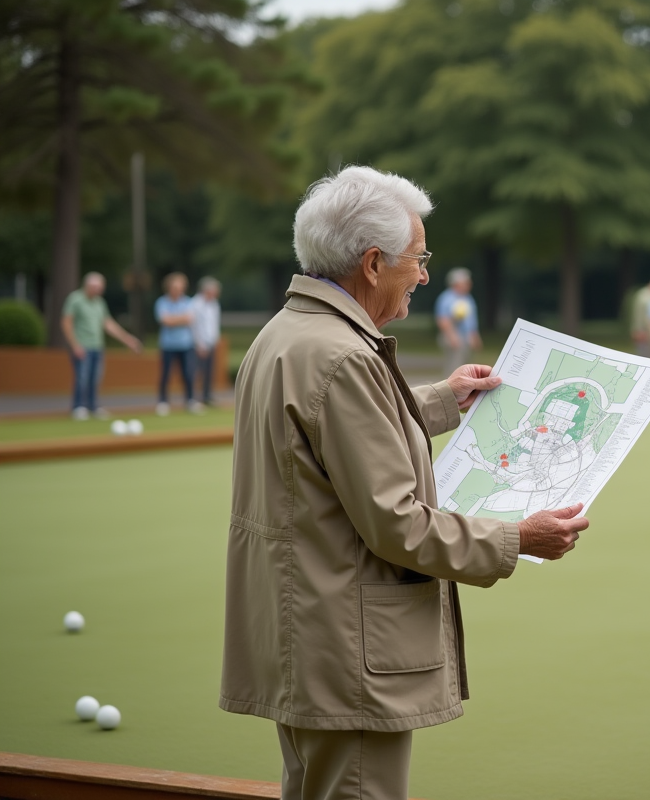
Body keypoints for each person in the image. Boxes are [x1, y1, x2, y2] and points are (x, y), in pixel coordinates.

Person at [220, 165, 587, 800]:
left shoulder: (288, 334)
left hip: (304, 634)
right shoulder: (343, 356)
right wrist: (516, 538)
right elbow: (398, 523)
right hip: (346, 646)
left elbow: (329, 438)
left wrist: (444, 400)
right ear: (371, 262)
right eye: (417, 259)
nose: (424, 274)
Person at [60, 272, 142, 420]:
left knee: (95, 378)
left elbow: (108, 323)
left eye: (100, 287)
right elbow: (66, 323)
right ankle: (78, 407)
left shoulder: (99, 302)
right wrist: (75, 345)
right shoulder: (75, 299)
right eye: (95, 286)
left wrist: (127, 339)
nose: (97, 290)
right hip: (82, 346)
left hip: (97, 346)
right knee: (82, 377)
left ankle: (93, 406)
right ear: (87, 285)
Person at [154, 272, 201, 415]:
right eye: (175, 287)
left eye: (180, 287)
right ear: (169, 287)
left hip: (186, 344)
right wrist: (180, 319)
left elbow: (189, 319)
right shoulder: (161, 302)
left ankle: (190, 400)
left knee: (188, 373)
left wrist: (173, 320)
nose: (177, 290)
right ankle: (163, 402)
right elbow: (165, 321)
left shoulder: (188, 302)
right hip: (168, 345)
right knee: (165, 374)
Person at [435, 267, 481, 377]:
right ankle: (449, 393)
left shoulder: (468, 298)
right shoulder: (447, 298)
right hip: (453, 335)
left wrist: (475, 336)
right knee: (454, 368)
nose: (469, 283)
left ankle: (463, 392)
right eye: (466, 281)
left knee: (466, 368)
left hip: (465, 338)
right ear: (456, 283)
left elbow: (471, 321)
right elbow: (443, 320)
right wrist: (452, 336)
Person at [190, 277, 222, 406]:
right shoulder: (196, 304)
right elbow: (194, 325)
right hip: (199, 344)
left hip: (211, 342)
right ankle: (193, 397)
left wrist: (215, 339)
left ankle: (206, 396)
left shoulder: (214, 304)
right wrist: (199, 344)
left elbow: (214, 323)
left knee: (209, 371)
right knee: (197, 371)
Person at [629, 283, 650, 357]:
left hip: (644, 329)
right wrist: (639, 330)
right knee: (644, 354)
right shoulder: (645, 296)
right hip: (643, 330)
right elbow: (640, 315)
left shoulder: (644, 294)